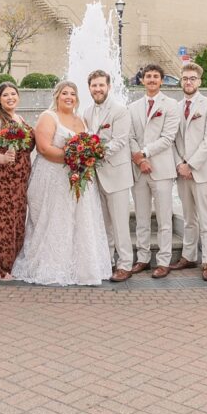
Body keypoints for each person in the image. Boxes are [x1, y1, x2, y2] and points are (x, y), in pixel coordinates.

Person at [11, 81, 112, 286]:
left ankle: (80, 268)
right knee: (55, 220)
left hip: (78, 177)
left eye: (72, 94)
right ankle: (51, 266)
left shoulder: (81, 119)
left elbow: (87, 145)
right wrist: (74, 159)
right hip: (52, 177)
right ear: (57, 96)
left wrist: (85, 159)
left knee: (80, 221)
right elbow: (44, 149)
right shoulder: (48, 117)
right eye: (64, 93)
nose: (69, 97)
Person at [128, 64, 180, 278]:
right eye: (147, 76)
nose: (151, 80)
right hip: (139, 170)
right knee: (141, 218)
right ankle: (142, 258)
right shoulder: (132, 107)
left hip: (161, 169)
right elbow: (129, 136)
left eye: (155, 77)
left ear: (161, 80)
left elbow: (168, 137)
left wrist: (144, 154)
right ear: (142, 80)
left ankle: (164, 261)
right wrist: (140, 160)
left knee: (164, 219)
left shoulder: (171, 105)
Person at [0, 82, 34, 280]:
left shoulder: (18, 118)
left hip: (18, 181)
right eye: (5, 95)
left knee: (14, 221)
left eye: (13, 94)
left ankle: (9, 263)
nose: (10, 97)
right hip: (0, 180)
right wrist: (2, 159)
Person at [173, 63, 207, 281]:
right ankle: (188, 255)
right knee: (188, 217)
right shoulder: (175, 107)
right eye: (185, 78)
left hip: (201, 170)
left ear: (200, 81)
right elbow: (171, 139)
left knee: (205, 217)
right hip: (181, 170)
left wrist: (191, 165)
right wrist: (179, 165)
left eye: (192, 78)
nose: (188, 82)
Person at [85, 70, 134, 282]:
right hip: (96, 175)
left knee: (120, 224)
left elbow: (120, 140)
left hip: (116, 174)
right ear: (89, 88)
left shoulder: (119, 110)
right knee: (104, 223)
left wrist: (94, 153)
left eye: (101, 85)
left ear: (108, 87)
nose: (97, 89)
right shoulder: (86, 111)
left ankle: (125, 265)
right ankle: (107, 262)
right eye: (94, 86)